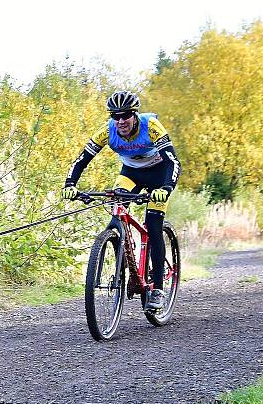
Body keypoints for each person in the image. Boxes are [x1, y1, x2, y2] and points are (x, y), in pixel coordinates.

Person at [62, 90, 181, 312]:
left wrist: (166, 188)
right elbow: (81, 160)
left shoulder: (152, 127)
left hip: (159, 174)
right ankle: (122, 258)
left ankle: (157, 289)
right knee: (116, 209)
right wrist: (70, 184)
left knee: (153, 225)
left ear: (135, 115)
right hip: (131, 173)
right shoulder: (107, 131)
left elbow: (174, 162)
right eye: (115, 116)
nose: (120, 121)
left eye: (125, 115)